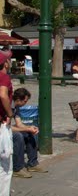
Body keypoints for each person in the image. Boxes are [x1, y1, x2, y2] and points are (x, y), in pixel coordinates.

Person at [11, 88, 45, 178]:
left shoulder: (16, 107)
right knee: (18, 136)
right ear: (18, 99)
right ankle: (17, 168)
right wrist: (25, 129)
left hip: (6, 129)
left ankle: (32, 163)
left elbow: (19, 124)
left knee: (29, 133)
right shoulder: (7, 105)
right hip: (3, 130)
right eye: (25, 101)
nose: (26, 103)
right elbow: (5, 127)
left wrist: (29, 128)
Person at [0, 50, 14, 193]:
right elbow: (3, 95)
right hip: (2, 122)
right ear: (5, 63)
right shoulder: (4, 77)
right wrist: (10, 113)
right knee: (5, 166)